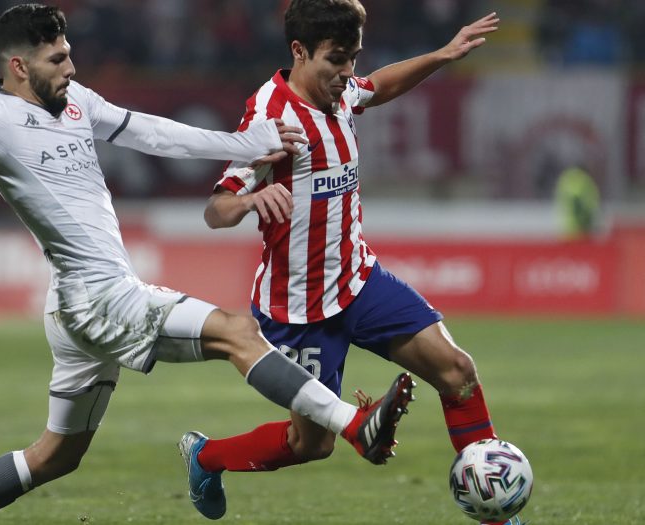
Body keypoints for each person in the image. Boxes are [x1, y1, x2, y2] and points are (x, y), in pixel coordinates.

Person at [0, 4, 416, 525]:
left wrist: (243, 142)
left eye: (69, 53)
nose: (70, 65)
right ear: (18, 66)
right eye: (57, 57)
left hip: (73, 307)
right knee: (238, 332)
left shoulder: (75, 102)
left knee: (57, 455)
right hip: (98, 298)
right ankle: (352, 424)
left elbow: (154, 131)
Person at [183, 2, 522, 525]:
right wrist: (249, 200)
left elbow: (377, 86)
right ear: (299, 51)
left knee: (457, 372)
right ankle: (206, 458)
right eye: (337, 59)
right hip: (298, 309)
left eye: (353, 58)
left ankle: (496, 513)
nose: (347, 73)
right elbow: (216, 210)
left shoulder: (339, 93)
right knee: (311, 444)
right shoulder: (270, 118)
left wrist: (442, 54)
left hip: (359, 282)